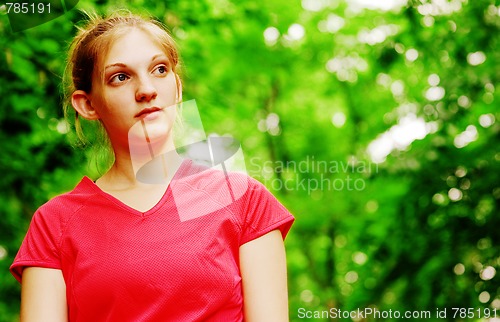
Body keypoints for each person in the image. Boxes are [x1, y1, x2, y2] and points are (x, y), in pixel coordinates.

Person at [10, 11, 294, 322]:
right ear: (88, 104)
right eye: (120, 76)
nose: (147, 89)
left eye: (160, 69)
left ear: (178, 87)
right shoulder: (54, 225)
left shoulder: (243, 200)